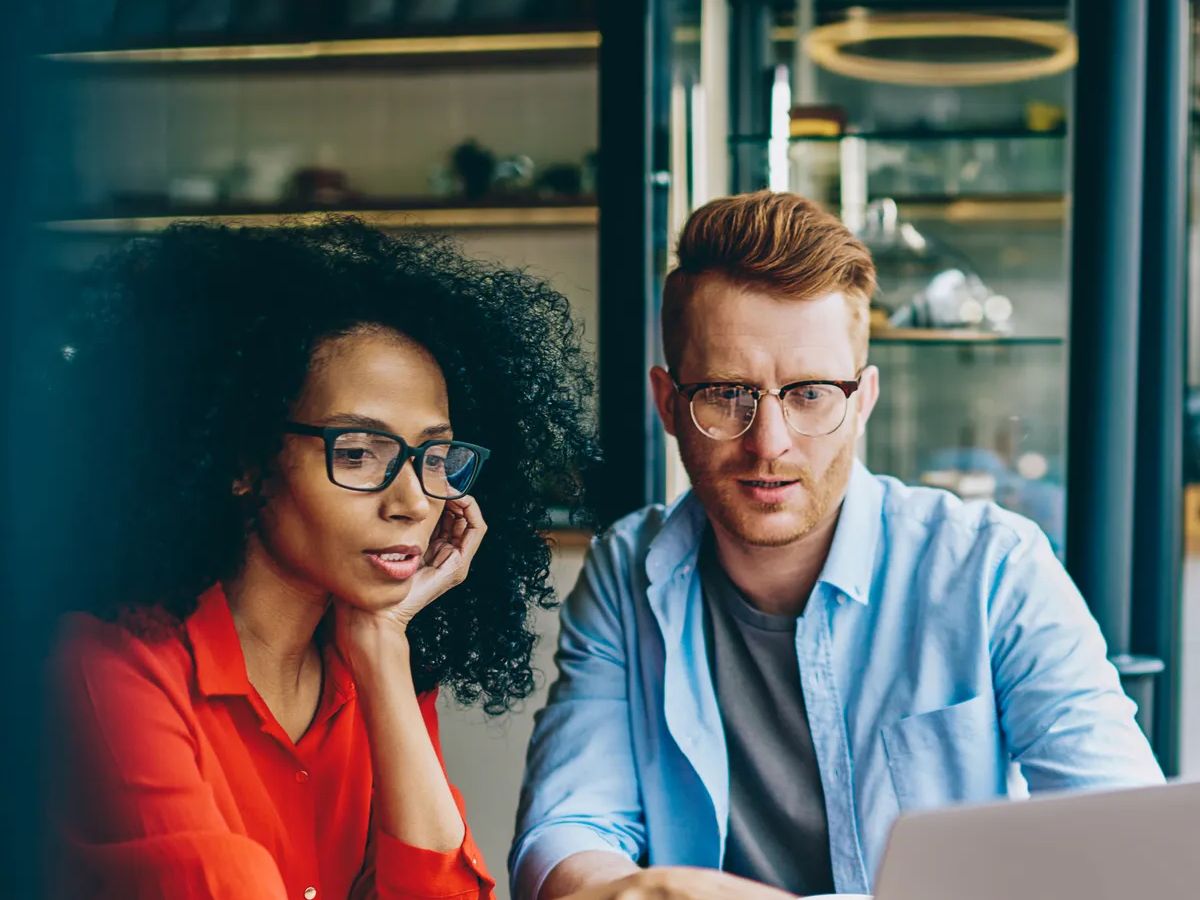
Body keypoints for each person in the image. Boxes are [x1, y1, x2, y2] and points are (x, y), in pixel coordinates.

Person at [510, 191, 1164, 900]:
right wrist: (632, 893)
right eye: (728, 393)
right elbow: (566, 829)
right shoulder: (625, 569)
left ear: (864, 401)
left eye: (811, 393)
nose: (771, 443)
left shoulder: (991, 567)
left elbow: (1128, 854)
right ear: (669, 404)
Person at [45, 218, 597, 899]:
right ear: (245, 460)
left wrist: (382, 649)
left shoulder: (376, 659)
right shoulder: (108, 670)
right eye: (359, 452)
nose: (414, 502)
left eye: (434, 456)